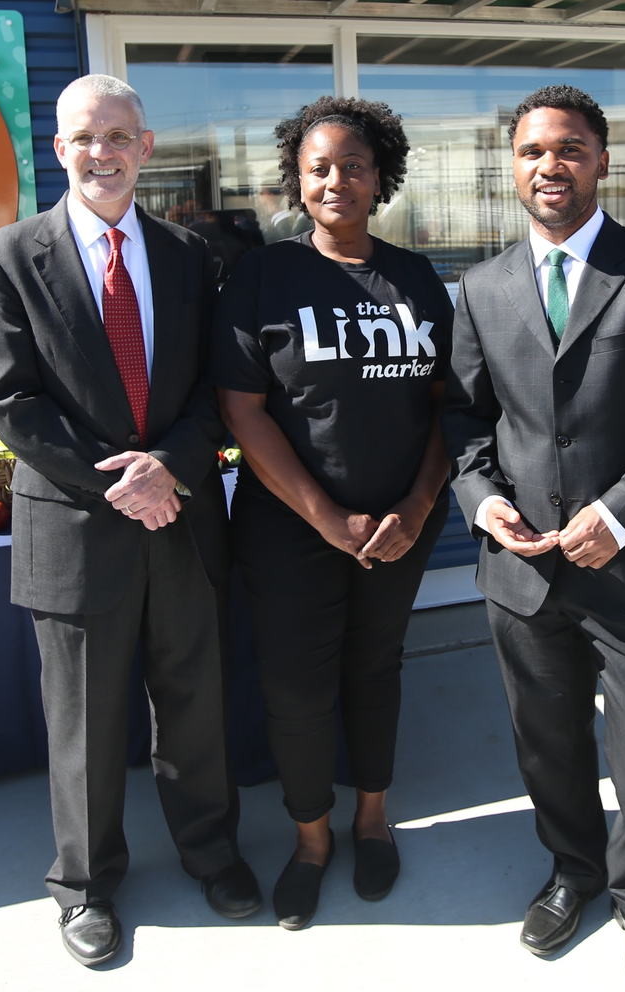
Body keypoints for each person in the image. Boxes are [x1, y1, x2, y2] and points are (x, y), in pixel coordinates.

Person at [444, 84, 625, 992]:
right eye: (533, 152)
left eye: (569, 149)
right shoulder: (483, 288)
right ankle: (574, 870)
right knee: (549, 741)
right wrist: (480, 497)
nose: (550, 166)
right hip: (524, 572)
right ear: (513, 169)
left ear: (601, 162)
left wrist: (619, 513)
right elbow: (463, 420)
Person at [0, 74, 262, 968]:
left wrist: (168, 468)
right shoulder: (7, 255)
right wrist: (123, 483)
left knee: (195, 706)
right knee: (86, 723)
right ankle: (86, 887)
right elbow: (11, 402)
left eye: (120, 136)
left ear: (145, 147)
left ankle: (212, 854)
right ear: (59, 151)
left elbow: (216, 390)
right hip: (77, 526)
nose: (103, 152)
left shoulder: (188, 257)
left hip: (179, 514)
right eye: (84, 138)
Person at [212, 96, 454, 929]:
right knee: (296, 688)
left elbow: (442, 409)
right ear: (297, 179)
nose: (336, 180)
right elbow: (243, 412)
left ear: (381, 175)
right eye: (319, 167)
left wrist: (419, 507)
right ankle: (312, 840)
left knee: (375, 671)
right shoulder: (264, 275)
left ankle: (372, 819)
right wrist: (324, 518)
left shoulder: (416, 278)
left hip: (399, 527)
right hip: (291, 530)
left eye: (354, 165)